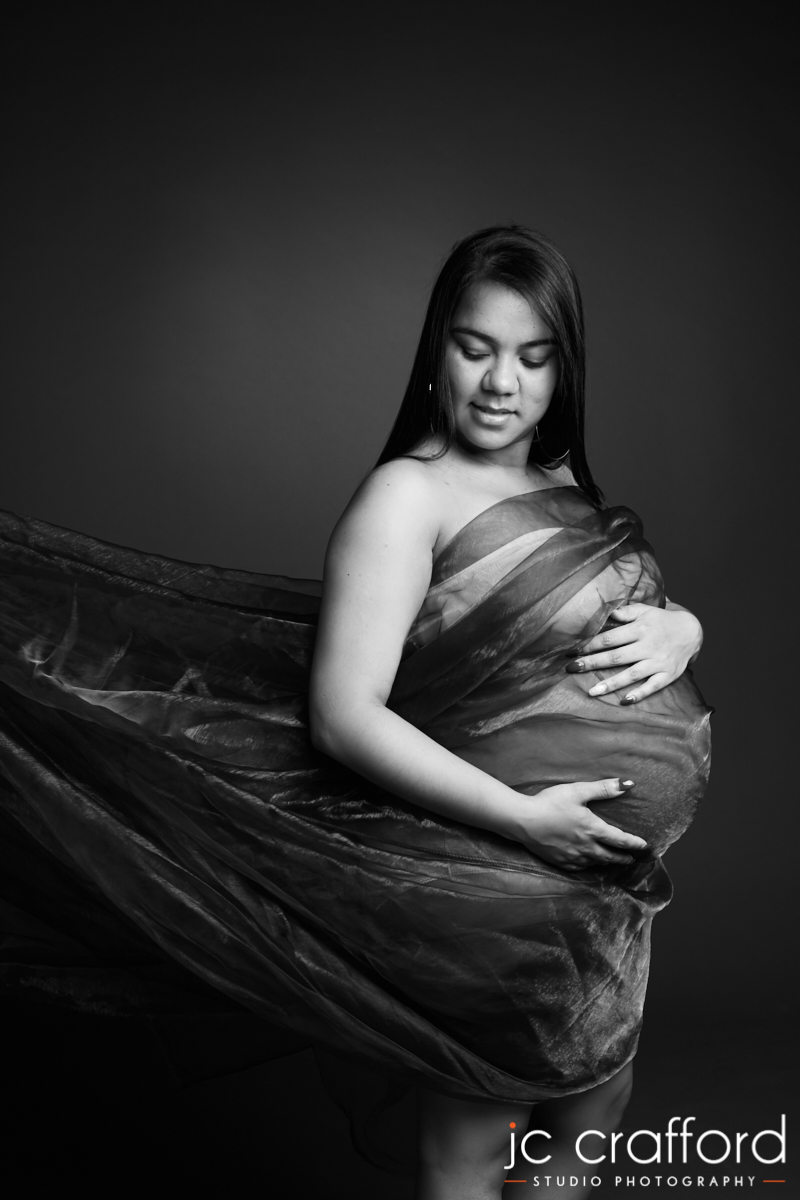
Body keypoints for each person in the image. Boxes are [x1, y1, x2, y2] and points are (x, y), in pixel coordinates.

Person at [0, 226, 710, 1200]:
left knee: (592, 1104)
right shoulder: (405, 498)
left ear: (563, 371)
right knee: (475, 1133)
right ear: (436, 352)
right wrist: (522, 820)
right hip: (492, 871)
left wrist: (684, 628)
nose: (501, 383)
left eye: (533, 357)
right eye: (475, 348)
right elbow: (341, 715)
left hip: (589, 890)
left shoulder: (562, 489)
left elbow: (594, 627)